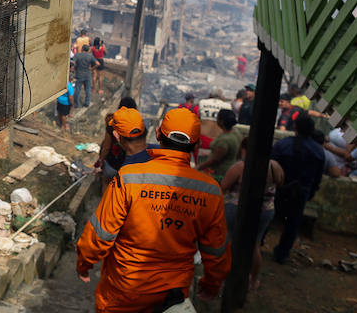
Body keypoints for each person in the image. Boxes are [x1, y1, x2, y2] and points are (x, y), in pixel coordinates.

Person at [77, 107, 231, 311]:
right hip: (171, 297)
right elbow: (216, 250)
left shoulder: (129, 177)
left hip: (123, 291)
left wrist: (84, 263)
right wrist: (211, 285)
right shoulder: (210, 191)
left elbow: (101, 233)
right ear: (197, 145)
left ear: (158, 134)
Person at [220, 137, 284, 291]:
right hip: (265, 211)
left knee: (227, 240)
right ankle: (253, 280)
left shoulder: (240, 166)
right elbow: (280, 185)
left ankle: (221, 277)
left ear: (244, 149)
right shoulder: (275, 166)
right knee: (255, 245)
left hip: (236, 209)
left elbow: (223, 187)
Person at [270, 114, 325, 264]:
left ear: (295, 127)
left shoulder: (282, 145)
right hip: (301, 192)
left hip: (280, 189)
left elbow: (271, 167)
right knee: (292, 224)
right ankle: (282, 253)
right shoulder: (319, 151)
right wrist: (311, 192)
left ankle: (257, 244)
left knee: (268, 217)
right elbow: (317, 177)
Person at [197, 109, 240, 182]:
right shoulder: (236, 132)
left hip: (219, 174)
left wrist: (198, 167)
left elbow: (215, 160)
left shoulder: (224, 140)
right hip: (230, 168)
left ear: (221, 122)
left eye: (217, 118)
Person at [72, 44, 97, 108]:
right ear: (88, 50)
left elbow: (73, 63)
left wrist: (74, 68)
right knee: (88, 90)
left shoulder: (77, 55)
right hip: (88, 75)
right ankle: (87, 103)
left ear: (82, 49)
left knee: (77, 90)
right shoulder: (90, 56)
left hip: (79, 74)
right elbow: (97, 64)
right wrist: (91, 69)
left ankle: (76, 105)